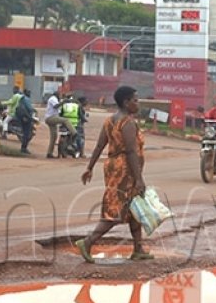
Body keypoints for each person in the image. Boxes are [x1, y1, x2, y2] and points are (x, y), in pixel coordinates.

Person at [76, 86, 153, 262]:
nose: (137, 103)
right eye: (135, 100)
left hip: (113, 167)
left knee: (134, 207)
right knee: (115, 210)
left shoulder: (109, 121)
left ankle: (138, 248)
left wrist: (90, 167)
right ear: (126, 102)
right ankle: (88, 242)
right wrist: (139, 179)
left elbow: (99, 145)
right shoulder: (127, 123)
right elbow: (131, 152)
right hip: (125, 171)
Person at [45, 91, 76, 158]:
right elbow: (56, 106)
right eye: (60, 95)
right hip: (51, 118)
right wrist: (63, 102)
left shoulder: (56, 99)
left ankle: (49, 153)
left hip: (51, 118)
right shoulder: (53, 98)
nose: (60, 97)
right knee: (66, 120)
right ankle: (74, 133)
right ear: (57, 95)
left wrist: (65, 100)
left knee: (54, 137)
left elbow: (60, 106)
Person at [15, 89, 36, 154]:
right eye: (29, 92)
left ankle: (23, 148)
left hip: (22, 117)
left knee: (25, 133)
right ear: (26, 93)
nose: (30, 94)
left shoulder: (22, 98)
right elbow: (29, 108)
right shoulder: (26, 99)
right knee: (27, 134)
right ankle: (23, 148)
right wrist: (33, 110)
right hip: (26, 118)